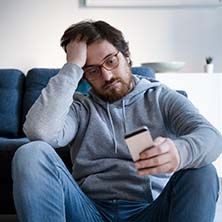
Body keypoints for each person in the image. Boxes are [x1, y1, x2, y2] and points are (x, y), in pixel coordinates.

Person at [12, 20, 222, 222]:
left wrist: (181, 152)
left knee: (203, 170)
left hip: (149, 211)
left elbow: (212, 137)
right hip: (88, 211)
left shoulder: (160, 97)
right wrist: (73, 66)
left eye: (111, 61)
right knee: (31, 153)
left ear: (127, 56)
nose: (107, 76)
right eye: (92, 70)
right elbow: (40, 132)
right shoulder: (79, 107)